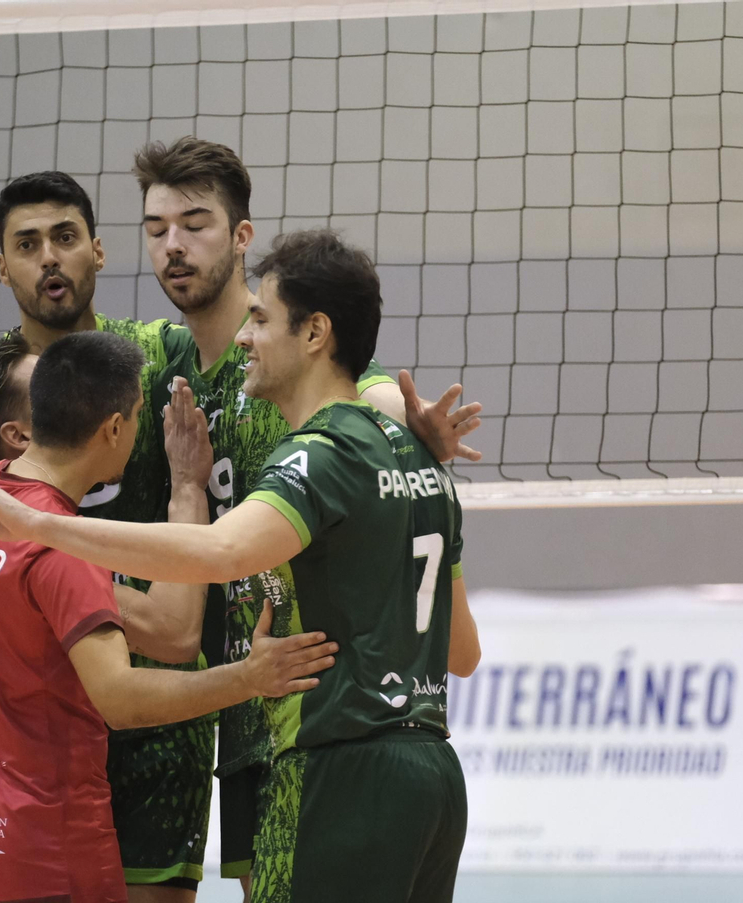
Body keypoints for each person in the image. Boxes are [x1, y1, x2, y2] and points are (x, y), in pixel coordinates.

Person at [0, 230, 482, 903]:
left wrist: (42, 526)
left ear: (315, 334)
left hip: (339, 770)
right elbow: (462, 651)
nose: (245, 336)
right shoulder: (423, 462)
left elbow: (221, 552)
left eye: (263, 318)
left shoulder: (318, 454)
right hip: (435, 778)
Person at [0, 329, 340, 903]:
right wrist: (248, 678)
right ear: (113, 429)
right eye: (136, 414)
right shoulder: (63, 550)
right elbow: (130, 688)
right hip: (48, 855)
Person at [131, 136, 482, 895]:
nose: (174, 245)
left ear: (241, 236)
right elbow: (464, 651)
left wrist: (37, 535)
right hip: (333, 740)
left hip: (322, 734)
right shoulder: (162, 360)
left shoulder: (332, 431)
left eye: (194, 223)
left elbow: (374, 397)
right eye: (156, 229)